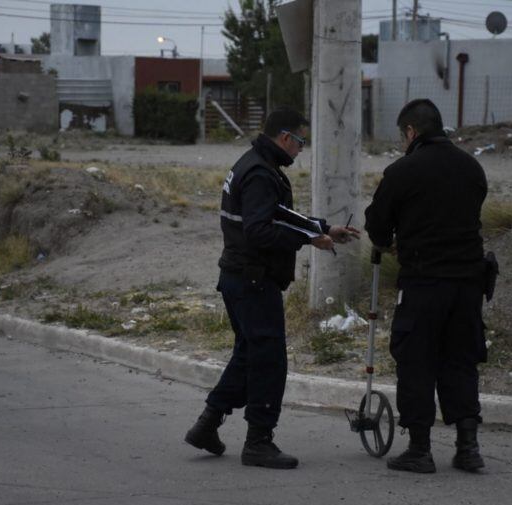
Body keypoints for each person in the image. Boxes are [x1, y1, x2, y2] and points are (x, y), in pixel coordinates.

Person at [184, 108, 360, 469]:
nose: (300, 149)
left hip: (239, 277)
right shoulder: (261, 174)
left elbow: (278, 214)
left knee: (249, 354)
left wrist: (321, 228)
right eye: (300, 142)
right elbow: (260, 229)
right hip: (252, 280)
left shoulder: (256, 165)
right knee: (269, 359)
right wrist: (312, 241)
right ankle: (259, 441)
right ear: (285, 138)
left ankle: (207, 424)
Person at [364, 99, 489, 474]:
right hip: (468, 284)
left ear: (411, 132)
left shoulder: (403, 171)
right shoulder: (472, 167)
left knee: (416, 361)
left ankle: (419, 448)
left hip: (423, 283)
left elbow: (378, 228)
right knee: (461, 361)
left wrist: (393, 240)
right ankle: (468, 446)